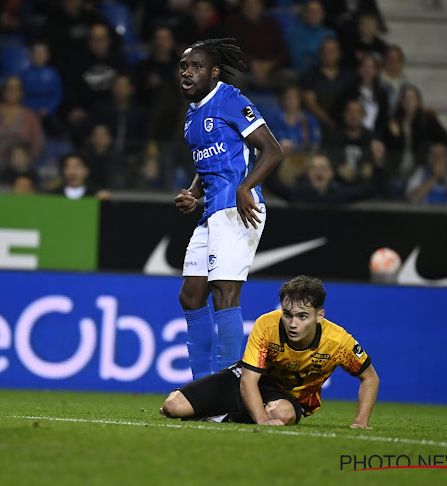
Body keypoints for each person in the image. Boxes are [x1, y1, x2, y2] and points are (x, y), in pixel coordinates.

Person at [173, 38, 283, 381]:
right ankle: (202, 389)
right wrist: (193, 193)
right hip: (211, 213)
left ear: (214, 72)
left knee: (224, 294)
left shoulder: (231, 99)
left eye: (196, 67)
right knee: (191, 296)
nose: (187, 73)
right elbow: (210, 162)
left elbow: (272, 150)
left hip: (240, 210)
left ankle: (226, 395)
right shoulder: (192, 116)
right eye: (184, 67)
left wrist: (246, 187)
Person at [160, 275, 379, 427]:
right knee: (172, 407)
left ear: (319, 316)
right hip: (249, 380)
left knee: (281, 414)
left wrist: (360, 421)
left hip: (289, 397)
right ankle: (224, 414)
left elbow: (370, 378)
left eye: (302, 316)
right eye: (287, 314)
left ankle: (220, 417)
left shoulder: (338, 342)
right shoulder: (267, 325)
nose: (293, 324)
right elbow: (248, 380)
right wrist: (262, 421)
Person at [405, 142, 447, 206]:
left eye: (440, 155)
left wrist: (445, 177)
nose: (437, 159)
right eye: (434, 155)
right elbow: (412, 199)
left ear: (446, 158)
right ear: (429, 157)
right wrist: (435, 177)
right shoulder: (420, 173)